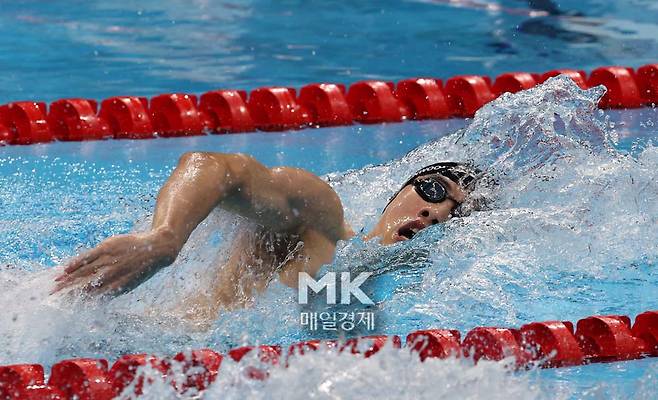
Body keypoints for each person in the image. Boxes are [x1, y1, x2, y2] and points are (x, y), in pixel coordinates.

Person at [53, 152, 481, 316]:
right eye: (433, 190)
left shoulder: (409, 303)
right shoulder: (322, 223)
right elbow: (218, 168)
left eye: (455, 214)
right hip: (136, 340)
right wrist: (165, 238)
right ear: (398, 193)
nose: (435, 212)